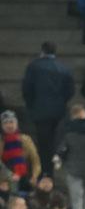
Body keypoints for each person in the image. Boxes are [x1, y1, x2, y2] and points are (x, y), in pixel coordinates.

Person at [21, 42, 74, 174]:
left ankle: (45, 173)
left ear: (42, 51)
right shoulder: (63, 68)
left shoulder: (33, 67)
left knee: (43, 143)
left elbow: (27, 89)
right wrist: (62, 102)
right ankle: (52, 171)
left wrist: (31, 105)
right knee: (55, 142)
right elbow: (70, 90)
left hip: (39, 110)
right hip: (58, 111)